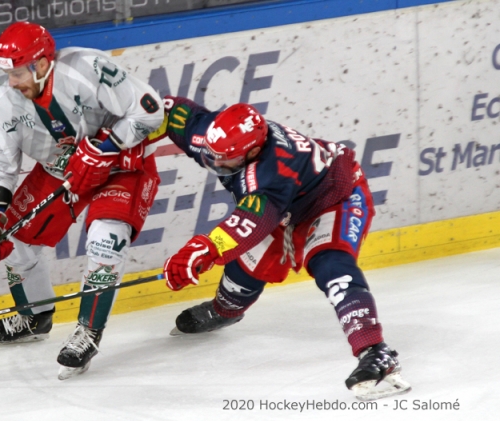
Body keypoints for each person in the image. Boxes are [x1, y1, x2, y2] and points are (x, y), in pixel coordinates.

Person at [160, 96, 411, 401]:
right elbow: (169, 111)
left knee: (330, 264)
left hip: (333, 197)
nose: (216, 164)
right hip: (284, 204)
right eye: (211, 156)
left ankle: (376, 351)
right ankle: (225, 311)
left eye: (226, 160)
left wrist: (205, 248)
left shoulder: (272, 171)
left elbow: (250, 221)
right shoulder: (215, 137)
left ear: (253, 152)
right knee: (247, 270)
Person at [0, 22, 163, 379]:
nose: (10, 82)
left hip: (122, 165)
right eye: (5, 73)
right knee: (11, 236)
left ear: (42, 64)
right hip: (61, 170)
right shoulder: (2, 98)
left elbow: (150, 112)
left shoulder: (88, 69)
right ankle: (35, 316)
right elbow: (0, 163)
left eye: (16, 72)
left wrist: (104, 147)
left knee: (105, 238)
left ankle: (88, 332)